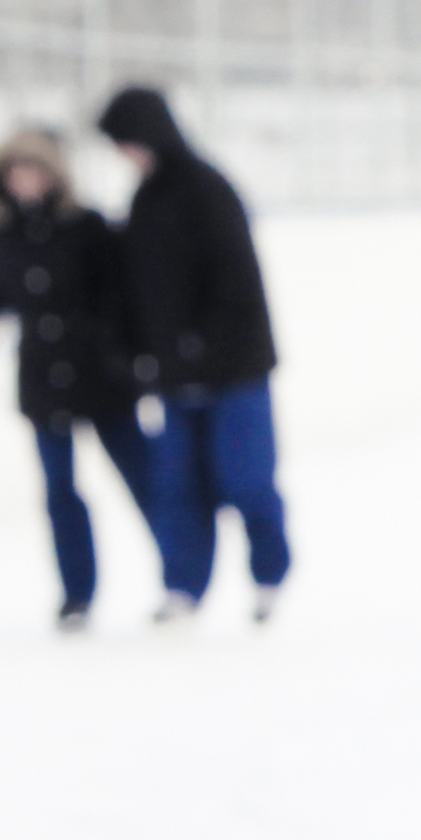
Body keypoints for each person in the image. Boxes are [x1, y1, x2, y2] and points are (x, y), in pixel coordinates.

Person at [96, 85, 288, 625]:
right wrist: (133, 351)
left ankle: (269, 574)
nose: (125, 154)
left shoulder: (209, 189)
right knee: (177, 488)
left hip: (236, 370)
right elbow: (137, 289)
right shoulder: (144, 200)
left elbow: (239, 279)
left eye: (127, 141)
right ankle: (183, 587)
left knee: (246, 478)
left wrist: (202, 341)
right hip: (174, 376)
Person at [0, 124, 152, 630]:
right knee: (59, 489)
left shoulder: (88, 226)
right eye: (15, 171)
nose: (24, 180)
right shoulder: (4, 232)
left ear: (54, 175)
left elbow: (120, 299)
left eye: (34, 170)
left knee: (144, 478)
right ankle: (77, 595)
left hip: (101, 378)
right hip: (42, 381)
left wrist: (126, 358)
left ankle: (183, 575)